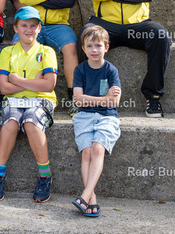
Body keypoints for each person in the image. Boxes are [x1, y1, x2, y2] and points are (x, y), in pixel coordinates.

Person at [0, 6, 57, 203]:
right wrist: (35, 82)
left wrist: (17, 80)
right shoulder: (7, 52)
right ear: (15, 28)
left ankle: (44, 174)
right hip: (13, 100)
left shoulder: (46, 51)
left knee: (31, 122)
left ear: (39, 29)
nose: (29, 29)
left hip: (42, 100)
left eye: (33, 26)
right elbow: (3, 88)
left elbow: (49, 85)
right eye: (24, 25)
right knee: (10, 123)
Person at [16, 0, 78, 115]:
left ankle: (74, 98)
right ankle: (18, 96)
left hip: (58, 24)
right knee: (15, 48)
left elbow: (69, 0)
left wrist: (37, 1)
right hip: (31, 24)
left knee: (71, 48)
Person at [71, 26, 121, 218]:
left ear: (106, 48)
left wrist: (89, 99)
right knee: (87, 152)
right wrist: (104, 98)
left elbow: (114, 102)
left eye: (98, 45)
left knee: (98, 148)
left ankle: (85, 195)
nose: (94, 50)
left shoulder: (111, 70)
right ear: (84, 49)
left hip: (107, 117)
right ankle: (91, 199)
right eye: (90, 46)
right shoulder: (80, 70)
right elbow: (77, 101)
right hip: (84, 117)